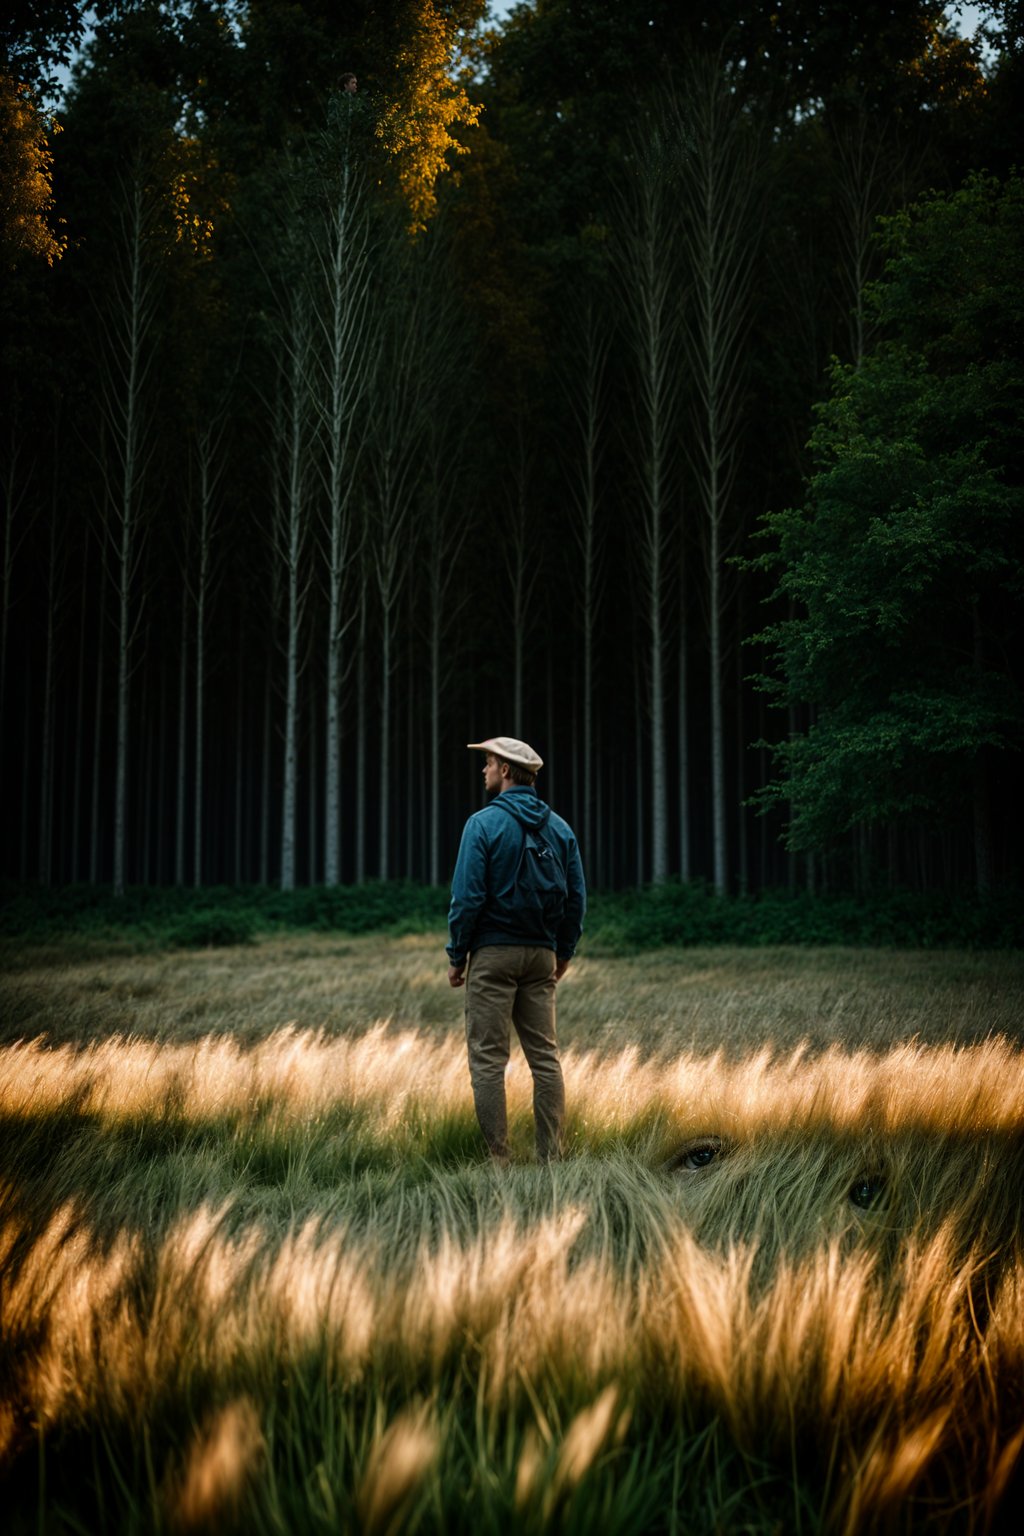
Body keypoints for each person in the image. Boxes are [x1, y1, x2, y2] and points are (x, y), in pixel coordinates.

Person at [447, 736, 586, 1163]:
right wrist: (562, 952)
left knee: (489, 1059)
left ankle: (500, 1159)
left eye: (488, 762)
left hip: (493, 955)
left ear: (506, 770)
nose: (484, 769)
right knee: (545, 1058)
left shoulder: (482, 824)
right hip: (541, 955)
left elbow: (467, 898)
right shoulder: (560, 828)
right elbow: (576, 898)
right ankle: (552, 1157)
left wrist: (457, 956)